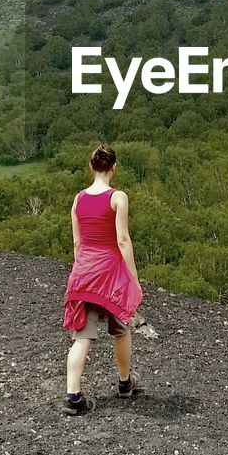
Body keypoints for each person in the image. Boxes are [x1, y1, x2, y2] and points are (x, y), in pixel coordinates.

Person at [62, 144, 144, 414]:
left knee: (82, 338)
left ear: (91, 166)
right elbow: (122, 239)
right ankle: (124, 384)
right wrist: (132, 276)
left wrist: (81, 270)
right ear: (114, 168)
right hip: (111, 277)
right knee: (121, 329)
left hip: (84, 274)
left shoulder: (78, 199)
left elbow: (77, 243)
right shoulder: (118, 197)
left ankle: (73, 396)